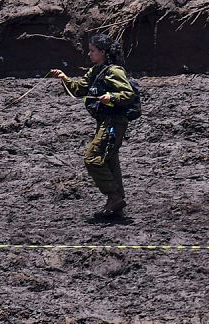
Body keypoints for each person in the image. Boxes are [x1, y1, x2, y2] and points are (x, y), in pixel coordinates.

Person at [48, 34, 136, 219]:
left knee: (93, 157)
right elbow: (79, 89)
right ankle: (116, 204)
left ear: (102, 52)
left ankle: (113, 196)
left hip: (114, 121)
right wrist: (64, 78)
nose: (89, 54)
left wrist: (111, 97)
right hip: (104, 121)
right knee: (109, 159)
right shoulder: (96, 71)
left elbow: (128, 94)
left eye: (92, 51)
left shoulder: (114, 71)